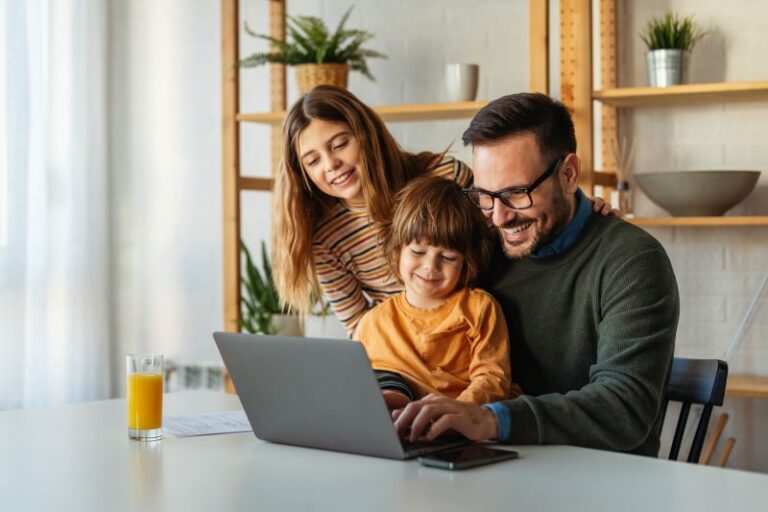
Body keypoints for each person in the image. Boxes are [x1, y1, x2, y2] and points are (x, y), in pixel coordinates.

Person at [393, 92, 679, 457]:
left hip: (601, 482)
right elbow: (415, 327)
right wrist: (392, 389)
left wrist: (490, 419)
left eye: (516, 193)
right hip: (491, 469)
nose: (498, 216)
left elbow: (624, 408)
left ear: (569, 174)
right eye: (485, 195)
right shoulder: (480, 248)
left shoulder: (632, 261)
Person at [272, 85, 614, 336]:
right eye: (313, 160)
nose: (331, 165)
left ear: (365, 135)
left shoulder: (443, 176)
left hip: (486, 328)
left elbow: (512, 223)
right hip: (407, 352)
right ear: (301, 173)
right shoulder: (326, 240)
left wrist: (576, 205)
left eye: (340, 144)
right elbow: (360, 330)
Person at [355, 176, 520, 409]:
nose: (430, 266)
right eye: (418, 251)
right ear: (398, 249)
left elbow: (493, 380)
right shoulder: (372, 323)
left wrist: (456, 414)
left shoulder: (479, 308)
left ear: (467, 262)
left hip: (466, 425)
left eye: (448, 257)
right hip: (403, 428)